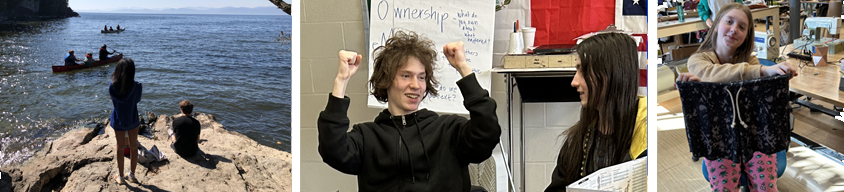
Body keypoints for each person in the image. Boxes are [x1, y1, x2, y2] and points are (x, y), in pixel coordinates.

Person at [317, 30, 501, 191]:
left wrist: (463, 68)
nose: (416, 85)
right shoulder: (366, 137)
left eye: (421, 77)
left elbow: (486, 135)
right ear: (386, 80)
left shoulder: (448, 130)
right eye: (406, 76)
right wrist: (341, 81)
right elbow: (332, 151)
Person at [677, 3, 798, 192]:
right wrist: (762, 71)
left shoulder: (750, 61)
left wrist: (775, 76)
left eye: (742, 27)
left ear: (746, 35)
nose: (734, 29)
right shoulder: (698, 60)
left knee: (766, 186)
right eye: (729, 21)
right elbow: (712, 74)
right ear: (716, 24)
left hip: (755, 135)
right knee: (723, 187)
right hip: (719, 139)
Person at [544, 33, 648, 191]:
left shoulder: (647, 138)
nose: (574, 82)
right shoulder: (577, 140)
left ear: (612, 74)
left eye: (583, 72)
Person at [108, 58, 142, 184]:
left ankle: (121, 177)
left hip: (118, 119)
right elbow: (137, 100)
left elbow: (114, 99)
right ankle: (132, 175)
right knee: (134, 146)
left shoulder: (112, 86)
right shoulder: (138, 86)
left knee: (120, 147)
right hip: (132, 118)